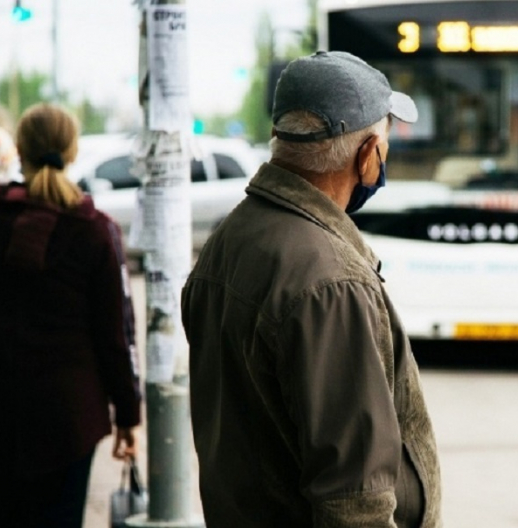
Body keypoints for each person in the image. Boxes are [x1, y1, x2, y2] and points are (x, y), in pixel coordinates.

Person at [182, 50, 442, 528]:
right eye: (383, 144)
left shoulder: (230, 238)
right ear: (368, 156)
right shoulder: (331, 282)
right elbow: (355, 499)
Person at [0, 103, 141, 528]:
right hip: (68, 421)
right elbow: (115, 334)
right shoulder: (95, 229)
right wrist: (127, 415)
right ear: (72, 152)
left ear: (20, 151)